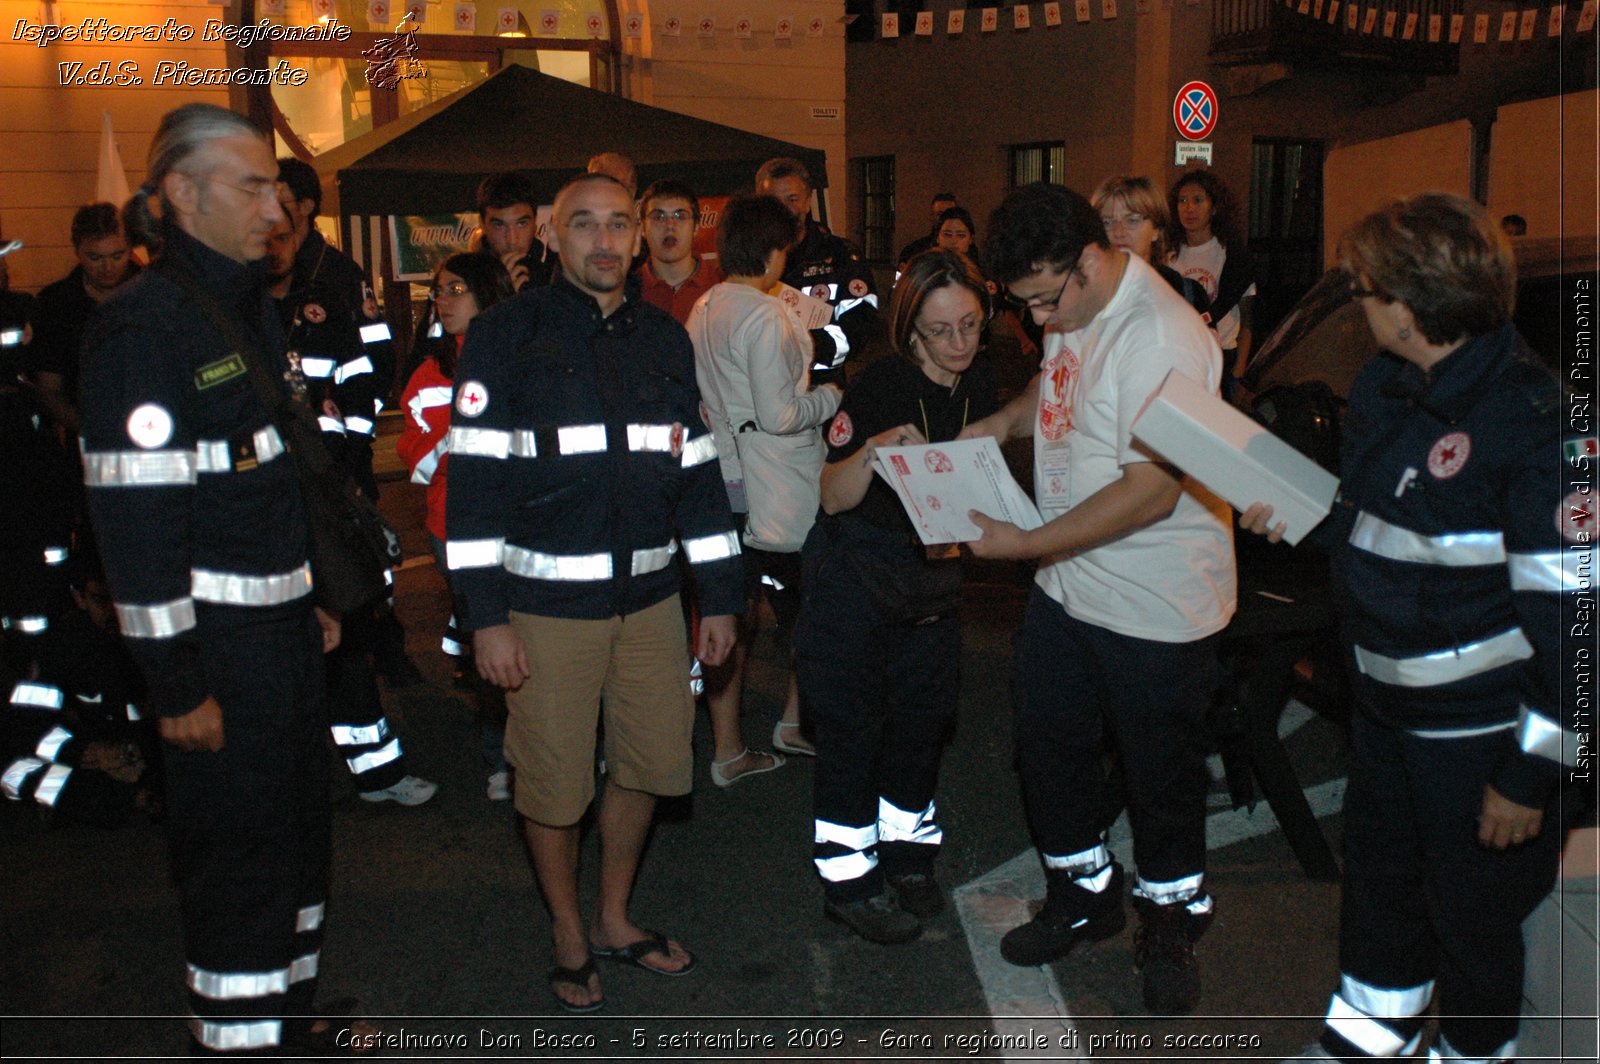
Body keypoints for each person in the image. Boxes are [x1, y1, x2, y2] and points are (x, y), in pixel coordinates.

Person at [1243, 193, 1580, 1064]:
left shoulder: (1535, 425)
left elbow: (1575, 631)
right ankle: (1365, 1044)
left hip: (1478, 742)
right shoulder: (1395, 388)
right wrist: (1298, 519)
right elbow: (1382, 525)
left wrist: (1528, 777)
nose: (1359, 303)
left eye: (1365, 288)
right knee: (1382, 900)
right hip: (1389, 720)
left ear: (1410, 302)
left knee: (1473, 929)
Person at [77, 102, 361, 1055]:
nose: (274, 207)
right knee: (237, 859)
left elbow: (267, 478)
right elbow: (136, 526)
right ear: (183, 194)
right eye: (251, 186)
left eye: (276, 186)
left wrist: (310, 596)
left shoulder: (242, 304)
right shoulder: (142, 329)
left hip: (280, 637)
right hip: (217, 657)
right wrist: (177, 684)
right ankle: (240, 1036)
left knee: (295, 841)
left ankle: (287, 1015)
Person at [445, 173, 744, 1013]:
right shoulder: (504, 335)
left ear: (641, 233)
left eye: (621, 224)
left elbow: (695, 473)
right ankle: (568, 930)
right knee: (553, 784)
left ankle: (615, 917)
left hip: (651, 605)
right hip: (543, 616)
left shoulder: (664, 337)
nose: (606, 242)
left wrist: (719, 595)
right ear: (553, 233)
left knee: (648, 767)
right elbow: (472, 488)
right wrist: (485, 619)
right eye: (586, 225)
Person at [963, 183, 1236, 1014]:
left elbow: (1152, 492)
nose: (1041, 320)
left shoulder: (1161, 337)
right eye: (1025, 305)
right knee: (1048, 749)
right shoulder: (1077, 311)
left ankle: (1171, 918)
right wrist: (1005, 424)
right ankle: (1083, 894)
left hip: (1157, 603)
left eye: (1047, 298)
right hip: (1070, 585)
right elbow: (1057, 394)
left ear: (1089, 259)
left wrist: (1020, 547)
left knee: (1161, 778)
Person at [795, 250, 999, 944]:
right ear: (911, 331)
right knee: (853, 728)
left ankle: (909, 857)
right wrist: (874, 452)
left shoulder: (983, 384)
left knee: (922, 722)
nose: (959, 343)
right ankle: (848, 879)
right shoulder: (880, 384)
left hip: (932, 577)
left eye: (970, 324)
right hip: (858, 575)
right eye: (941, 331)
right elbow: (831, 495)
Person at [264, 212, 437, 807]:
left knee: (348, 643)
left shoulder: (325, 310)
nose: (272, 246)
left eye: (283, 235)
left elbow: (360, 387)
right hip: (262, 509)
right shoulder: (228, 317)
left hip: (329, 495)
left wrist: (339, 448)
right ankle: (284, 783)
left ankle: (379, 774)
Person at [687, 193, 842, 786]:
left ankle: (728, 748)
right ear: (775, 251)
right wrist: (830, 397)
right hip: (780, 482)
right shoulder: (764, 314)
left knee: (730, 611)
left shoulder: (706, 305)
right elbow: (781, 415)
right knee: (817, 604)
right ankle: (794, 722)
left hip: (727, 478)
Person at [396, 253, 515, 799]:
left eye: (456, 289)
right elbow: (417, 464)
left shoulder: (523, 359)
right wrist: (463, 434)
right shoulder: (429, 375)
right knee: (485, 644)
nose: (442, 300)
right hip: (456, 528)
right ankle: (501, 759)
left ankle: (561, 746)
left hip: (526, 525)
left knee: (547, 642)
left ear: (487, 294)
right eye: (438, 291)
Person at [757, 156, 886, 386]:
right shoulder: (747, 260)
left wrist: (805, 347)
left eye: (792, 199)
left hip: (824, 390)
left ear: (808, 202)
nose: (784, 210)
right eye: (774, 201)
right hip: (762, 391)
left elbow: (860, 328)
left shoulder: (841, 256)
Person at [25, 203, 139, 432]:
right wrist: (90, 431)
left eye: (118, 255)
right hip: (85, 433)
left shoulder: (155, 297)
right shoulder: (55, 305)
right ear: (77, 251)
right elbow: (48, 389)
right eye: (95, 257)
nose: (108, 267)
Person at [1168, 169, 1256, 396]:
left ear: (1214, 207)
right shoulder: (1168, 255)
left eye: (1198, 200)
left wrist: (1239, 369)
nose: (1189, 208)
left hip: (1222, 356)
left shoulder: (1232, 255)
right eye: (1183, 200)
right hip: (1179, 355)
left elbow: (1247, 319)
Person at [1092, 175, 1209, 318]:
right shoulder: (1079, 293)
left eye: (1132, 220)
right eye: (1107, 222)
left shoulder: (1184, 293)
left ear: (1157, 230)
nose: (1119, 232)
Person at [638, 180, 722, 325]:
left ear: (696, 227)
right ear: (642, 228)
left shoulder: (720, 287)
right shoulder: (626, 292)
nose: (670, 225)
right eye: (659, 217)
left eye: (680, 216)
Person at [475, 170, 551, 293]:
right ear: (482, 224)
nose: (512, 240)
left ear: (535, 223)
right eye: (499, 225)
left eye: (521, 224)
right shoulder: (463, 282)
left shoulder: (553, 281)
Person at [897, 191, 958, 271]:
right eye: (940, 214)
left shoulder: (967, 252)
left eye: (950, 214)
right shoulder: (913, 251)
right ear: (932, 216)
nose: (945, 218)